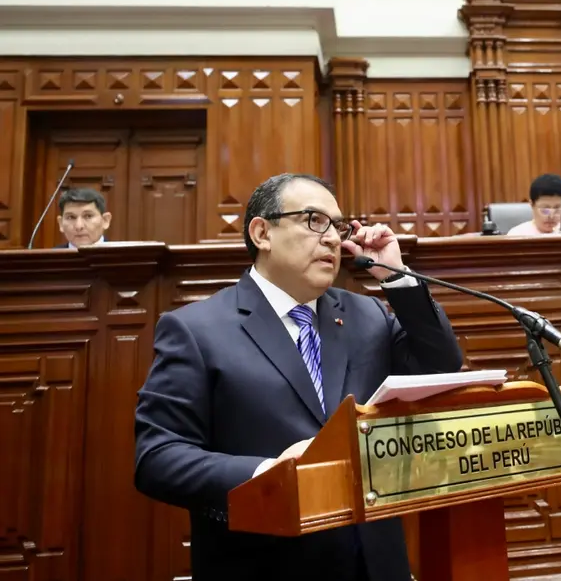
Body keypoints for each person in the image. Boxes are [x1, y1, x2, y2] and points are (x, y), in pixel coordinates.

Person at [134, 173, 464, 581]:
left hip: (375, 565)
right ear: (262, 232)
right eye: (313, 220)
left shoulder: (368, 316)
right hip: (265, 564)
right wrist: (267, 473)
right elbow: (157, 458)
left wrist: (395, 275)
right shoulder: (196, 330)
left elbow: (442, 366)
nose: (331, 239)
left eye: (338, 227)